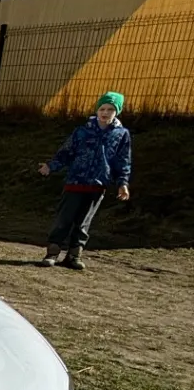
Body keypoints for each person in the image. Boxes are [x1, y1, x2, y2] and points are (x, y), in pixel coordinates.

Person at [38, 91, 131, 269]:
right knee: (64, 219)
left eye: (110, 109)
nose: (105, 113)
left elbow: (123, 160)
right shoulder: (82, 131)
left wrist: (122, 183)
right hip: (75, 182)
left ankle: (74, 255)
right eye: (102, 108)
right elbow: (66, 152)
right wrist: (51, 166)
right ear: (97, 110)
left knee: (83, 222)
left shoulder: (121, 134)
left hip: (98, 185)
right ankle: (52, 252)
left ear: (117, 112)